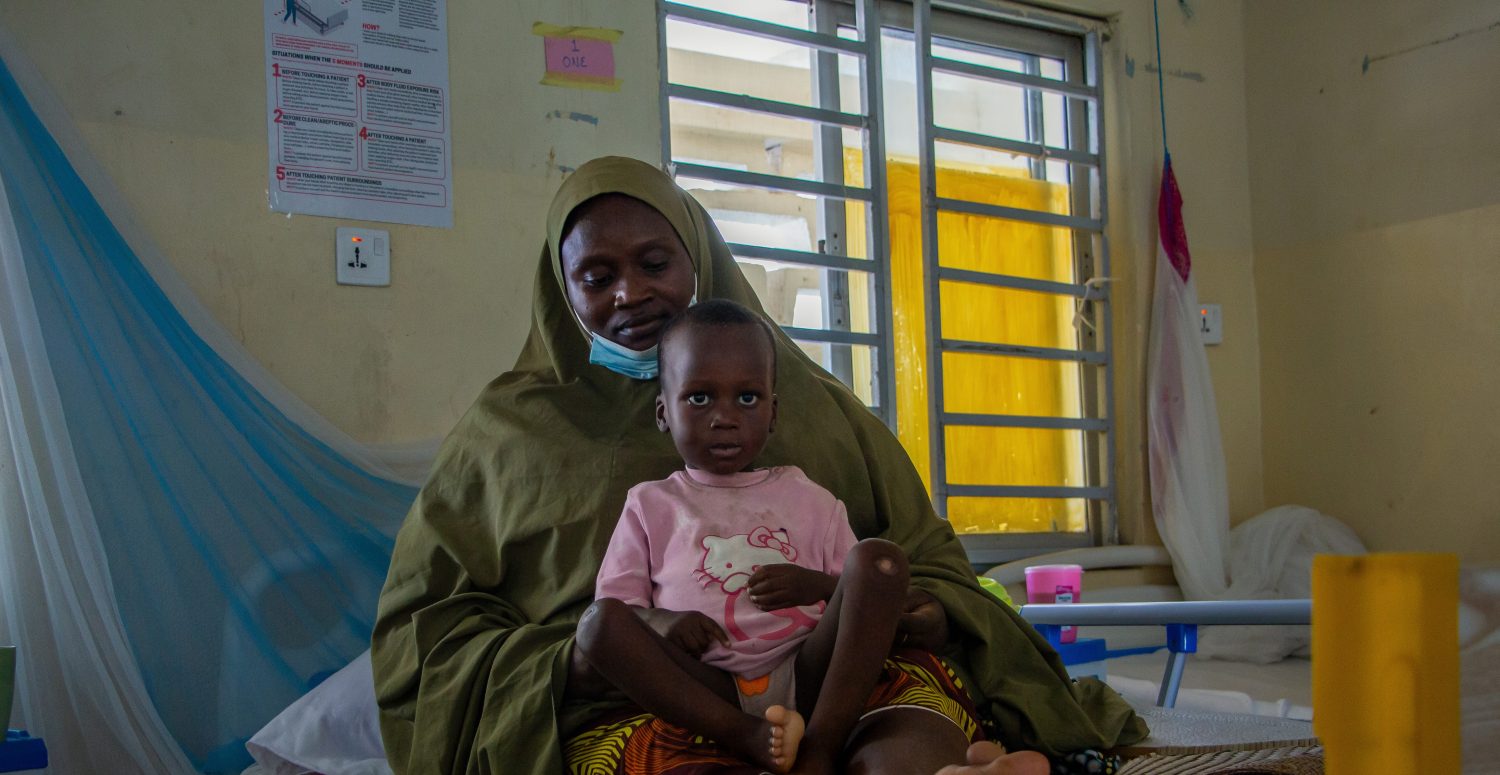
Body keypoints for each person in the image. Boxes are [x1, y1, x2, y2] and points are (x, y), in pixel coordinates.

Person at [371, 156, 1146, 775]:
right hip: (640, 702)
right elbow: (423, 629)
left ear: (696, 257)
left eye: (653, 262)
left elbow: (925, 561)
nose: (631, 294)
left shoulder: (815, 404)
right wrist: (573, 660)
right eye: (597, 277)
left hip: (848, 677)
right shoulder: (508, 431)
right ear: (561, 287)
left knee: (904, 753)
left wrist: (914, 613)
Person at [579, 299, 915, 774]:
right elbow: (620, 606)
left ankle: (818, 752)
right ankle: (749, 737)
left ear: (773, 413)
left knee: (880, 562)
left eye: (747, 398)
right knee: (596, 625)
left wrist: (813, 585)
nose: (724, 417)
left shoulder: (811, 498)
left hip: (810, 670)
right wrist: (663, 623)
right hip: (706, 684)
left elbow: (863, 599)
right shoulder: (650, 504)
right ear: (663, 413)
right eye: (699, 398)